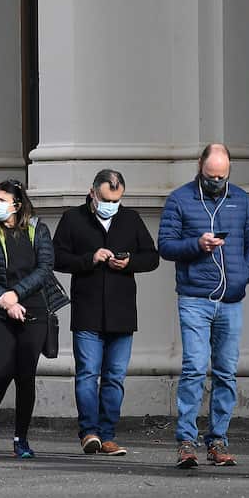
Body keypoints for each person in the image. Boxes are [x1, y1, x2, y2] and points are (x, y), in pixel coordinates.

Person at [157, 143, 249, 469]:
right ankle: (186, 441)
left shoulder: (240, 198)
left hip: (231, 299)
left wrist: (245, 274)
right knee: (194, 369)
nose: (217, 180)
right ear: (200, 167)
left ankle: (218, 440)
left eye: (222, 175)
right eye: (211, 175)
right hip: (195, 298)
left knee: (227, 372)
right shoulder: (180, 199)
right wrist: (197, 245)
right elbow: (166, 245)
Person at [52, 169, 159, 456]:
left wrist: (130, 262)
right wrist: (90, 258)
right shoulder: (72, 219)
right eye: (106, 199)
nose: (112, 204)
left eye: (117, 199)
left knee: (114, 377)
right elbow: (56, 258)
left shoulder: (130, 219)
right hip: (87, 310)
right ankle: (89, 432)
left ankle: (108, 434)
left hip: (122, 312)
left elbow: (152, 257)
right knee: (87, 374)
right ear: (92, 193)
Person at [0, 179, 66, 460]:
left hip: (33, 312)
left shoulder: (38, 229)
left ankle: (20, 438)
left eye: (3, 199)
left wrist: (16, 294)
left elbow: (44, 268)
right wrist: (4, 298)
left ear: (18, 204)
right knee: (2, 370)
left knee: (26, 376)